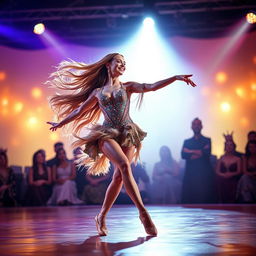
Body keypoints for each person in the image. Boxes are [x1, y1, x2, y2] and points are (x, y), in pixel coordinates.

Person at [47, 53, 196, 236]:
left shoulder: (128, 87)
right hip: (107, 134)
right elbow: (79, 110)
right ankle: (143, 213)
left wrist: (175, 77)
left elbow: (151, 87)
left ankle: (101, 216)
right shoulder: (97, 92)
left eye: (125, 63)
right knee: (124, 165)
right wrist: (60, 123)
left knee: (119, 176)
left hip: (127, 133)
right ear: (108, 64)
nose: (123, 64)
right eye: (119, 61)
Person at [181, 118, 216, 203]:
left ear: (201, 126)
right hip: (191, 173)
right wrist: (200, 152)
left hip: (204, 173)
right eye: (194, 124)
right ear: (191, 127)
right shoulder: (187, 141)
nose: (196, 126)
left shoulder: (207, 140)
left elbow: (207, 153)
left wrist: (190, 151)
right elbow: (183, 155)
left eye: (198, 124)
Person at [215, 137, 242, 203]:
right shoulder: (221, 158)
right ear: (225, 147)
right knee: (218, 179)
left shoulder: (238, 159)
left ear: (233, 147)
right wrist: (223, 175)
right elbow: (217, 171)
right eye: (227, 145)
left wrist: (231, 174)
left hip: (233, 179)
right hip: (222, 179)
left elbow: (239, 171)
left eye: (231, 145)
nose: (229, 147)